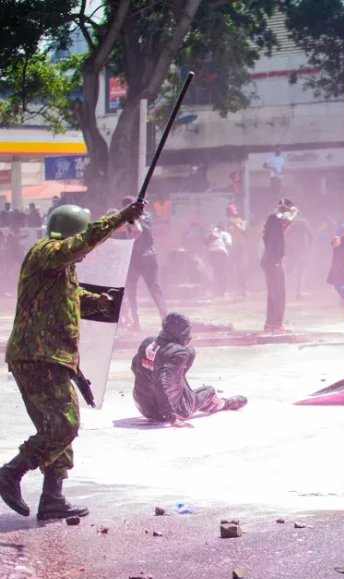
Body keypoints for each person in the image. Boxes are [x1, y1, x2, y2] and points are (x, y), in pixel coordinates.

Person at [0, 200, 146, 521]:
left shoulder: (58, 267)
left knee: (55, 428)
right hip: (42, 357)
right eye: (79, 243)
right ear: (69, 234)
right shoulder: (47, 251)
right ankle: (10, 473)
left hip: (43, 356)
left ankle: (52, 498)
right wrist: (120, 218)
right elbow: (84, 241)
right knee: (65, 425)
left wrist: (98, 302)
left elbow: (70, 298)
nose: (84, 253)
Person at [131, 312, 247, 425]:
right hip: (170, 412)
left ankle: (187, 396)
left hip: (143, 407)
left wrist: (148, 385)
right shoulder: (179, 352)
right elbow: (161, 383)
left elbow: (135, 366)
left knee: (188, 352)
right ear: (180, 332)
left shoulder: (148, 343)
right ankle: (224, 403)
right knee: (209, 391)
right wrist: (171, 417)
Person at [121, 195, 168, 331]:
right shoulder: (148, 215)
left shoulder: (130, 218)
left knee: (131, 289)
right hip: (150, 256)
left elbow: (137, 230)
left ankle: (136, 323)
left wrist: (126, 244)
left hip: (136, 258)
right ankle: (165, 321)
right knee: (156, 290)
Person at [261, 199, 298, 333]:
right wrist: (294, 213)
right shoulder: (275, 215)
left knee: (273, 292)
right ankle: (278, 324)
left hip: (269, 259)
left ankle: (270, 324)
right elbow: (287, 221)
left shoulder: (273, 221)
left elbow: (284, 227)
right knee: (280, 292)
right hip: (273, 260)